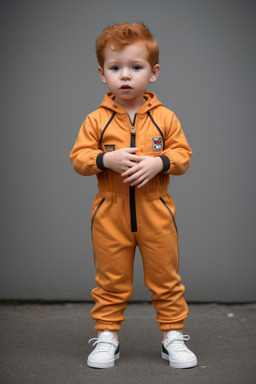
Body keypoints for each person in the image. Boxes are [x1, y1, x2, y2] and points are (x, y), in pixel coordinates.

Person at [70, 22, 197, 369]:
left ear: (153, 73)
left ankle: (172, 335)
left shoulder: (165, 118)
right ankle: (107, 334)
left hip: (156, 212)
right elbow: (78, 158)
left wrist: (160, 163)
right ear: (102, 74)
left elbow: (183, 156)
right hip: (110, 215)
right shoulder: (95, 120)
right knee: (110, 280)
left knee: (166, 278)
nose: (125, 76)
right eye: (115, 68)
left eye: (135, 67)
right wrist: (104, 159)